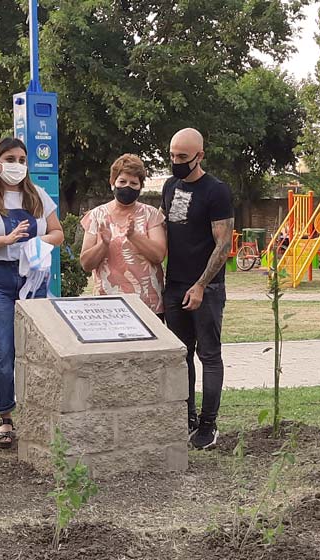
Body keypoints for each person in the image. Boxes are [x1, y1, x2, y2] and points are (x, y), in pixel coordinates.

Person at [0, 137, 64, 449]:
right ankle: (5, 418)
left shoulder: (37, 196)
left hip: (30, 277)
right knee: (2, 350)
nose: (17, 165)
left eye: (22, 159)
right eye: (10, 158)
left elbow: (57, 232)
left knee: (35, 349)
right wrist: (5, 240)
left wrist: (37, 243)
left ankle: (37, 411)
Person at [160, 128, 234, 451]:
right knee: (180, 356)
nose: (176, 163)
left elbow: (224, 244)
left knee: (209, 355)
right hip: (174, 285)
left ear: (200, 156)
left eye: (183, 158)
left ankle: (208, 424)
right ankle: (186, 416)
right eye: (173, 156)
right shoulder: (169, 186)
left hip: (207, 288)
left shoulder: (216, 191)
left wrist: (201, 285)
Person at [79, 153, 166, 318]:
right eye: (122, 181)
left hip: (148, 305)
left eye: (134, 183)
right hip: (108, 308)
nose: (127, 187)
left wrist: (133, 235)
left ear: (140, 186)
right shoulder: (97, 215)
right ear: (113, 183)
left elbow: (158, 255)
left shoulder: (152, 215)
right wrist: (103, 244)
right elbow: (86, 263)